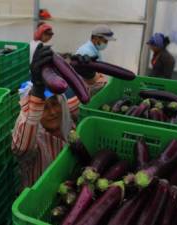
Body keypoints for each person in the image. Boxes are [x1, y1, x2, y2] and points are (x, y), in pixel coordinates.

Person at [12, 44, 80, 188]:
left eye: (54, 104)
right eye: (43, 107)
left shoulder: (67, 117)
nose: (53, 112)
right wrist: (37, 90)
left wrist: (89, 77)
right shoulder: (34, 141)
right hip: (39, 204)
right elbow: (20, 148)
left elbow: (87, 99)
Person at [74, 25, 116, 96]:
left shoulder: (94, 49)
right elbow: (91, 77)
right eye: (105, 41)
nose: (106, 44)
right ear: (96, 38)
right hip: (84, 88)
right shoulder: (86, 52)